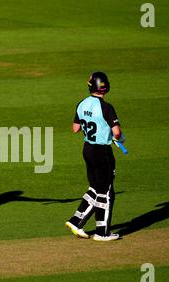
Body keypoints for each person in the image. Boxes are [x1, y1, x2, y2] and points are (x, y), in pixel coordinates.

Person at [65, 71, 124, 241]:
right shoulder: (107, 107)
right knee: (105, 191)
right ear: (105, 87)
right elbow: (117, 133)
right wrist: (115, 136)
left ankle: (76, 221)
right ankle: (101, 232)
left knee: (95, 188)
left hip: (87, 149)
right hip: (102, 152)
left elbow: (75, 128)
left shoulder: (81, 104)